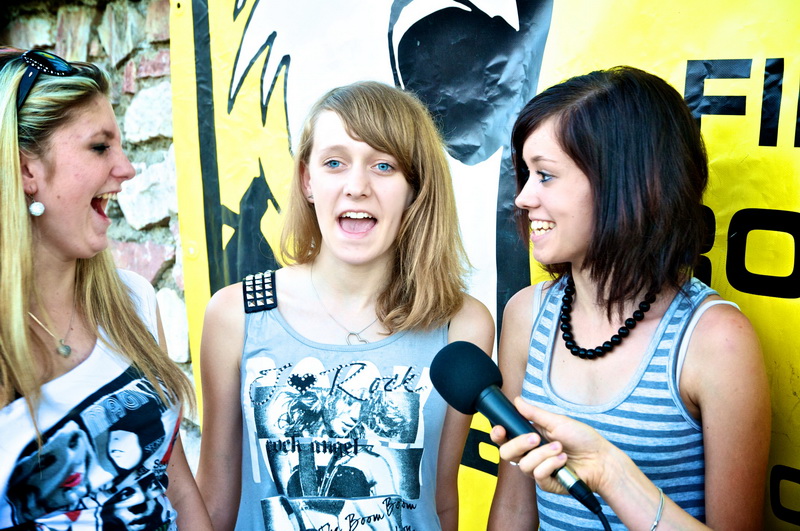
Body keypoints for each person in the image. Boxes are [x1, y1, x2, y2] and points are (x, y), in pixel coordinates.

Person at [197, 80, 494, 531]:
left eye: (383, 165)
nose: (357, 187)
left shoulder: (461, 324)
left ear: (415, 187)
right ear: (307, 180)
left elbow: (440, 502)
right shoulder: (236, 314)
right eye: (334, 163)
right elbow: (214, 505)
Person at [487, 66, 770, 530]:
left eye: (546, 176)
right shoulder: (526, 314)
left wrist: (614, 474)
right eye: (526, 174)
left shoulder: (716, 340)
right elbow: (516, 507)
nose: (522, 198)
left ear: (625, 183)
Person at [0, 47, 212, 530]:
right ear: (27, 170)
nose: (127, 168)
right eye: (100, 147)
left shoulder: (133, 301)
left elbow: (175, 486)